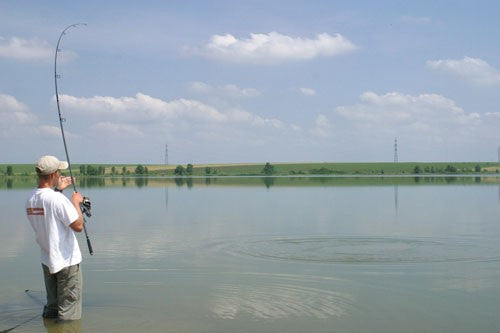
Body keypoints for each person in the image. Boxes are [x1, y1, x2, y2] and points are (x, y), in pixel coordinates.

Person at [25, 155, 85, 321]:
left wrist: (59, 191)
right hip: (66, 262)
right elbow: (78, 225)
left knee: (53, 306)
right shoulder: (58, 200)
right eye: (59, 171)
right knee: (69, 313)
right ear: (52, 174)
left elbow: (49, 214)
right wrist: (76, 202)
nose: (60, 174)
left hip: (48, 260)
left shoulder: (30, 199)